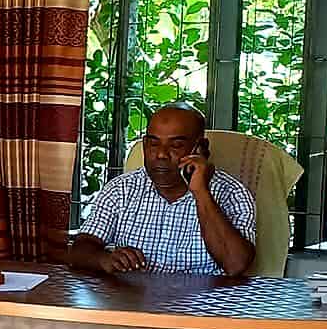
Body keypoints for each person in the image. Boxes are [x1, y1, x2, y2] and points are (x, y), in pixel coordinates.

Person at [69, 102, 257, 276]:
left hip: (200, 306)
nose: (161, 154)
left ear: (201, 148)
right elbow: (79, 250)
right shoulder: (121, 189)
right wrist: (105, 259)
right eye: (153, 144)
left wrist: (201, 192)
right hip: (132, 303)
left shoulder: (232, 193)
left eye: (176, 145)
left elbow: (235, 264)